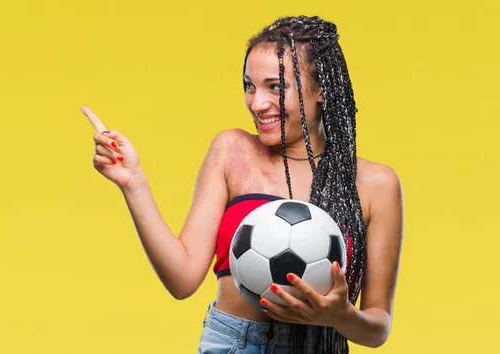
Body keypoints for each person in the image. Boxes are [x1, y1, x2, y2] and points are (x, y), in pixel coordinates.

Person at [82, 15, 403, 354]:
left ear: (322, 88)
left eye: (275, 86)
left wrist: (341, 315)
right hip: (233, 344)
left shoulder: (375, 184)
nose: (257, 103)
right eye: (250, 86)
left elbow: (377, 327)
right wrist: (133, 183)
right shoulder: (231, 150)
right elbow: (182, 280)